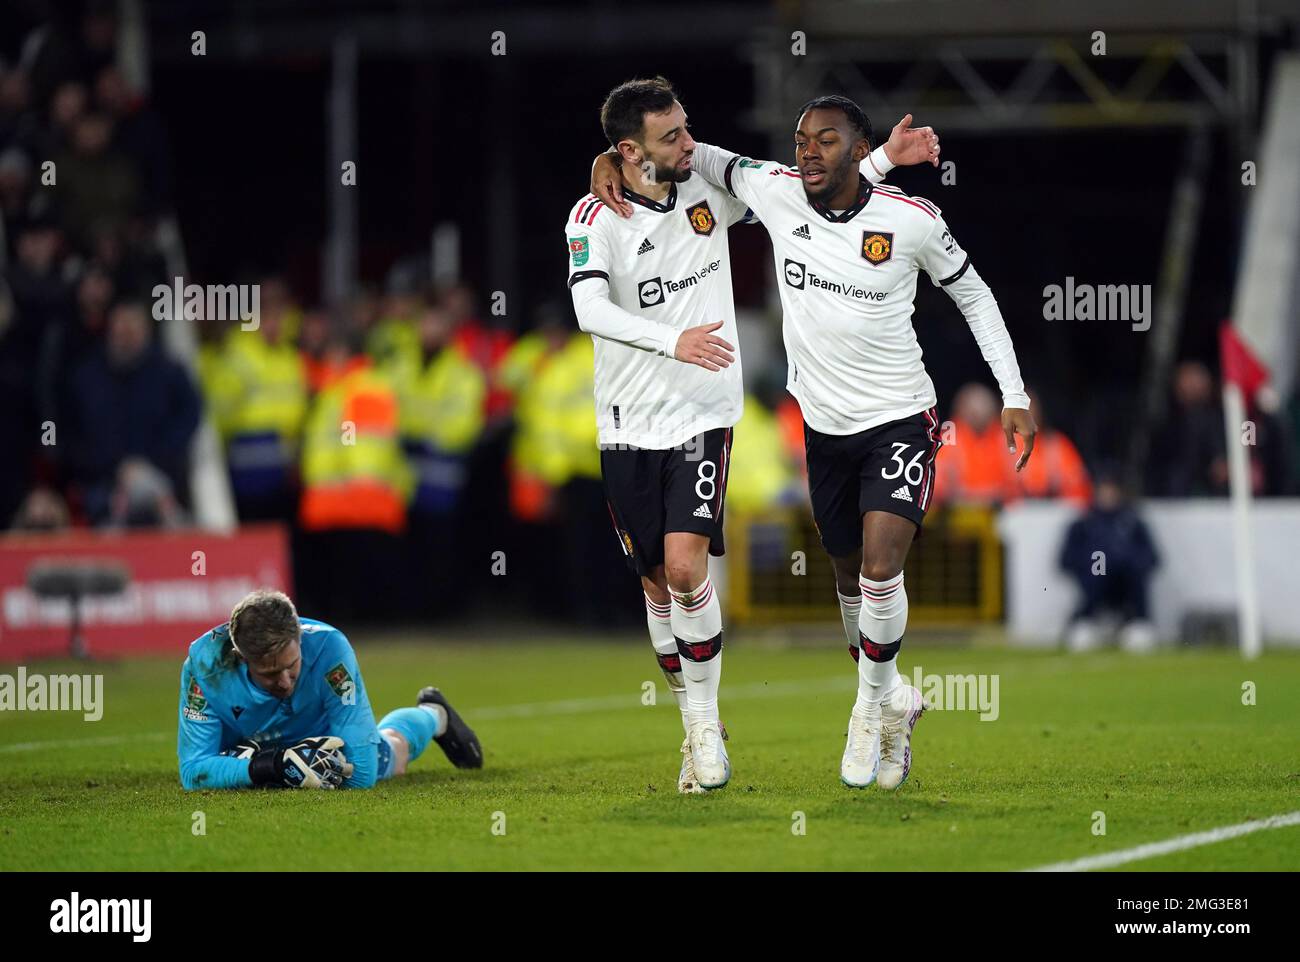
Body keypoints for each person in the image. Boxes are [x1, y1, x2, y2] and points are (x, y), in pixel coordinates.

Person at [595, 94, 1033, 791]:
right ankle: (894, 700)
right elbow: (685, 154)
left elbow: (975, 295)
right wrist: (605, 162)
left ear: (857, 152)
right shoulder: (774, 192)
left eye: (824, 141)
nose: (804, 151)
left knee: (882, 568)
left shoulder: (913, 221)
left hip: (900, 418)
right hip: (823, 433)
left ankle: (869, 709)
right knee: (848, 577)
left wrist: (1013, 394)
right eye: (800, 139)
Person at [177, 589, 482, 790]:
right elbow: (193, 772)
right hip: (247, 744)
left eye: (291, 665)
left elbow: (361, 776)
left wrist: (306, 769)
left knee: (390, 759)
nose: (284, 681)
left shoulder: (329, 649)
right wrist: (271, 767)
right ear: (242, 658)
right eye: (270, 673)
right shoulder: (205, 668)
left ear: (299, 638)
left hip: (319, 733)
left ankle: (434, 715)